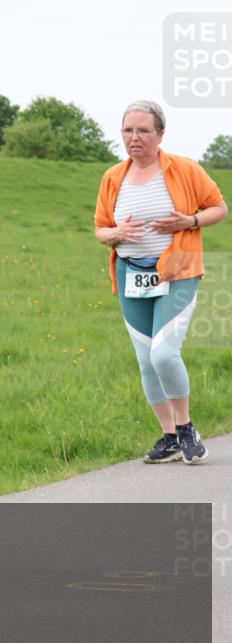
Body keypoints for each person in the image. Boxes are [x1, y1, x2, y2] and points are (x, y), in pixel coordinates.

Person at [94, 100, 227, 465]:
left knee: (164, 353)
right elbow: (100, 228)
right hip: (131, 275)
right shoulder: (112, 178)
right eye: (127, 130)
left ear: (160, 134)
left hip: (178, 270)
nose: (134, 138)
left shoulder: (184, 169)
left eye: (143, 130)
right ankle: (169, 436)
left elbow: (219, 207)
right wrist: (115, 232)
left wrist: (190, 221)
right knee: (146, 361)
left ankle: (186, 428)